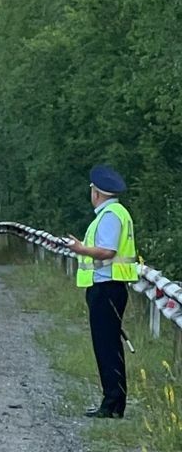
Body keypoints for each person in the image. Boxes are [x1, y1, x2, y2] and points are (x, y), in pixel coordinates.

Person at [64, 165, 139, 419]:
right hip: (110, 286)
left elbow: (107, 251)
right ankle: (113, 402)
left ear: (96, 192)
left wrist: (80, 248)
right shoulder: (117, 213)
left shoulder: (110, 215)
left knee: (106, 346)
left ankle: (112, 404)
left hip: (107, 287)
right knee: (109, 345)